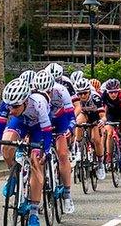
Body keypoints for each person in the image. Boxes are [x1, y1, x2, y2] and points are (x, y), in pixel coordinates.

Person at [0, 75, 54, 224]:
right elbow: (0, 126)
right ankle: (13, 175)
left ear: (25, 101)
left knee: (36, 163)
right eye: (9, 106)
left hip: (39, 127)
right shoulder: (8, 103)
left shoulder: (39, 103)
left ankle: (33, 212)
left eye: (15, 106)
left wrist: (46, 150)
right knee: (6, 144)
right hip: (22, 123)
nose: (11, 109)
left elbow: (47, 130)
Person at [45, 68, 77, 214]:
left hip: (60, 120)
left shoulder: (62, 90)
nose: (46, 94)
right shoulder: (35, 93)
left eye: (48, 91)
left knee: (63, 154)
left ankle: (67, 194)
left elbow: (72, 115)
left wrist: (70, 128)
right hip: (43, 121)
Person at [73, 77, 106, 180]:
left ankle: (100, 163)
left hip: (95, 117)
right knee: (78, 123)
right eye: (80, 93)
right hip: (84, 114)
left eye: (85, 93)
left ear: (89, 92)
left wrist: (102, 121)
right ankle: (79, 148)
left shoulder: (95, 97)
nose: (82, 96)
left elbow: (103, 115)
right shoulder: (76, 98)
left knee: (96, 140)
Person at [101, 79, 121, 161]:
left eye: (115, 92)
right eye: (111, 92)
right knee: (109, 133)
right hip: (111, 114)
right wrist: (103, 118)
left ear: (118, 91)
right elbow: (102, 108)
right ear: (107, 91)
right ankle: (109, 155)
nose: (113, 94)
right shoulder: (104, 95)